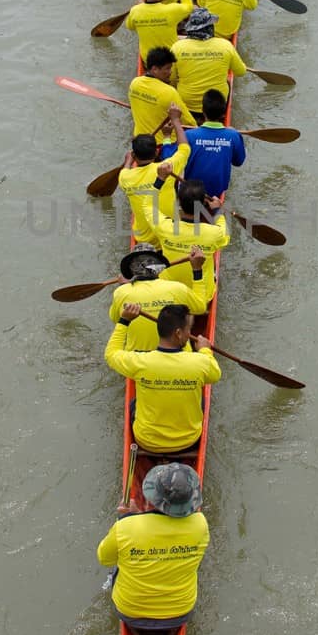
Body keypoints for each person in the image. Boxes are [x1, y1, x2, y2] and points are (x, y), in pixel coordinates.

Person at [97, 461, 209, 632]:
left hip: (130, 611)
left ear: (152, 498)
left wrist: (126, 517)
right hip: (180, 612)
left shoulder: (126, 527)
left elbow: (105, 559)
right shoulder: (200, 525)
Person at [105, 303, 221, 453]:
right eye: (188, 329)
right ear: (178, 333)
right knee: (202, 400)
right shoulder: (200, 362)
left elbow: (111, 354)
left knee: (133, 403)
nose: (189, 333)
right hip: (188, 442)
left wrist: (124, 321)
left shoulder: (139, 362)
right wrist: (205, 349)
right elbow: (215, 374)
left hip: (146, 441)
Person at [109, 242, 215, 349]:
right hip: (177, 357)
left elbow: (117, 320)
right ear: (158, 268)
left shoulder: (121, 292)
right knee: (186, 313)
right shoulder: (177, 288)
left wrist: (125, 287)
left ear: (131, 269)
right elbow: (201, 307)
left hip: (138, 360)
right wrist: (197, 270)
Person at [118, 110, 191, 242]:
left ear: (134, 155)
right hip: (168, 234)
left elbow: (125, 169)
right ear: (157, 151)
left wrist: (128, 161)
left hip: (143, 238)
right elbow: (185, 148)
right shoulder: (165, 168)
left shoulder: (124, 178)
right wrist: (175, 121)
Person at [160, 88, 245, 198]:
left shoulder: (189, 135)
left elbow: (168, 158)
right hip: (216, 194)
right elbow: (238, 162)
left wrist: (166, 137)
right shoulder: (233, 135)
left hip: (189, 194)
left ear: (203, 111)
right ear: (223, 113)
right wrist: (239, 137)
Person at [171, 6, 247, 115]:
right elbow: (241, 72)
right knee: (228, 80)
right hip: (217, 106)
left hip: (186, 103)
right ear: (210, 27)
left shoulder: (177, 47)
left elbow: (172, 78)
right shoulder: (225, 46)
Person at [153, 178, 229, 285]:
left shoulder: (162, 226)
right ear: (203, 204)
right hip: (202, 293)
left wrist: (159, 180)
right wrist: (217, 210)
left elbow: (146, 205)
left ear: (178, 202)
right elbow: (224, 234)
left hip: (168, 287)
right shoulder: (215, 233)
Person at [129, 48, 196, 140]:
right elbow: (189, 123)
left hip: (140, 140)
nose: (170, 72)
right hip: (166, 143)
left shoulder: (134, 84)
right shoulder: (169, 92)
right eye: (167, 68)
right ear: (155, 69)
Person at [125, 0, 192, 59]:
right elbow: (189, 7)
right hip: (170, 58)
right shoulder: (172, 10)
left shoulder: (135, 11)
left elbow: (130, 26)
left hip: (147, 59)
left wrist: (139, 6)